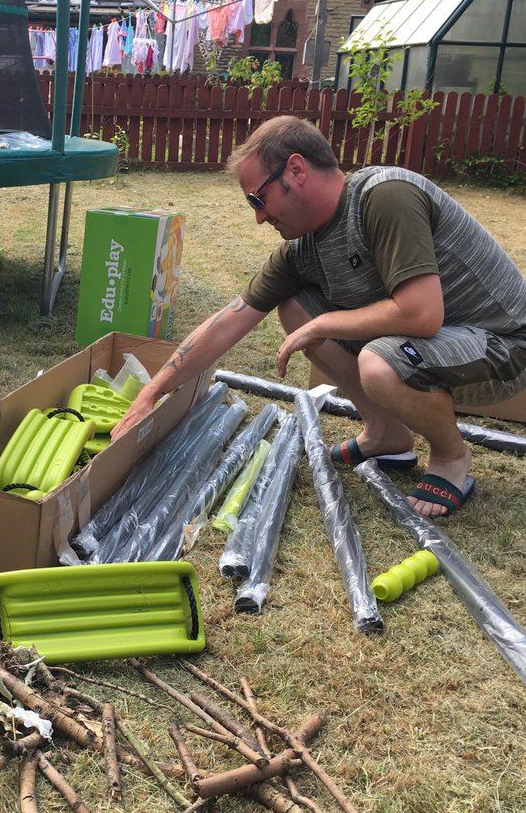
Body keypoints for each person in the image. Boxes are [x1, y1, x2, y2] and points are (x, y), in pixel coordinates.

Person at [111, 115, 526, 519]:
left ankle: (451, 456)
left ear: (296, 169)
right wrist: (153, 392)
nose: (258, 216)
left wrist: (323, 325)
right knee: (295, 306)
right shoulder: (302, 248)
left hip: (503, 346)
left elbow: (422, 314)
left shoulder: (384, 195)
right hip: (439, 348)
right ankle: (386, 433)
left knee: (378, 361)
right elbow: (228, 321)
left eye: (259, 199)